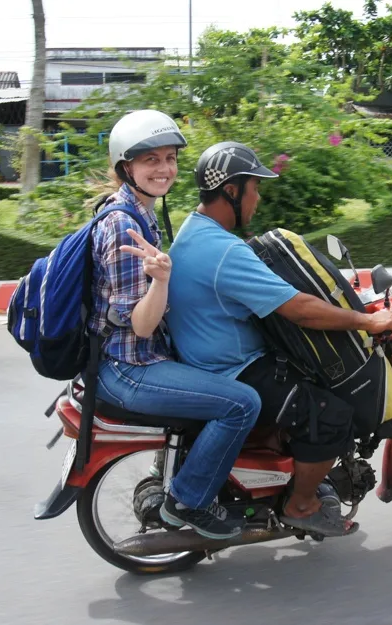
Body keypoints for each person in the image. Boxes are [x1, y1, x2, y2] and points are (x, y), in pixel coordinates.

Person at [165, 141, 392, 537]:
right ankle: (301, 503)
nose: (257, 198)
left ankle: (289, 477)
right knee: (331, 414)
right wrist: (366, 321)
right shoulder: (223, 251)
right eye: (254, 188)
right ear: (232, 190)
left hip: (207, 357)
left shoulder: (194, 231)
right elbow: (300, 309)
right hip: (232, 369)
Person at [90, 112, 261, 540]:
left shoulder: (139, 212)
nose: (164, 169)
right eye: (150, 160)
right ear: (126, 167)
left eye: (169, 158)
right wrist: (162, 278)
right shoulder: (122, 225)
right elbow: (142, 326)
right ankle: (187, 501)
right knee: (242, 403)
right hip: (129, 367)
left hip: (135, 359)